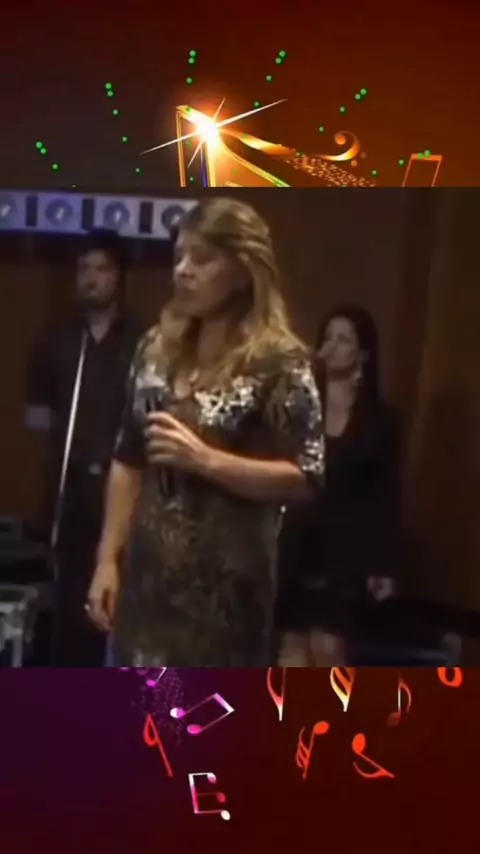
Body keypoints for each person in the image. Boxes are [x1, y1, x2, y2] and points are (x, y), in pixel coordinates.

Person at [86, 197, 325, 667]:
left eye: (202, 258)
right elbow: (128, 458)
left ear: (242, 269)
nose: (183, 270)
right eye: (179, 256)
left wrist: (206, 460)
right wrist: (107, 559)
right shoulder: (156, 348)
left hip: (224, 603)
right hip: (144, 590)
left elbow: (307, 475)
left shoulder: (278, 361)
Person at [26, 229, 144, 666]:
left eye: (101, 269)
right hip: (70, 498)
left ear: (120, 277)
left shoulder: (145, 342)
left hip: (128, 500)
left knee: (124, 624)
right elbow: (37, 418)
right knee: (71, 623)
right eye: (83, 269)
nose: (91, 278)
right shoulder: (56, 341)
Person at [277, 305, 403, 666]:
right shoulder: (298, 407)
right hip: (297, 546)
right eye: (327, 338)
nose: (331, 346)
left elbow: (385, 496)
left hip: (345, 554)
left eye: (343, 339)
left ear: (363, 354)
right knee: (291, 651)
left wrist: (384, 564)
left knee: (328, 649)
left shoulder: (381, 420)